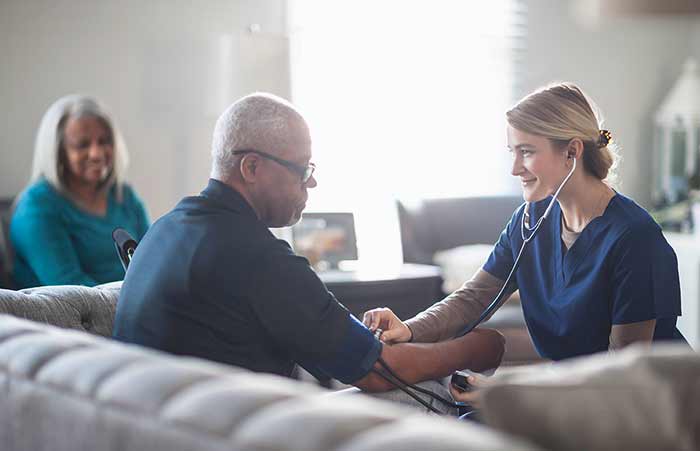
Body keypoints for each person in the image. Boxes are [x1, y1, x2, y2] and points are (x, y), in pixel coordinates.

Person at [113, 93, 505, 396]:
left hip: (158, 424)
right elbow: (378, 371)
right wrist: (475, 348)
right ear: (251, 167)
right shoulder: (257, 257)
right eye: (302, 169)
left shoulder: (165, 230)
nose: (311, 183)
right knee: (431, 395)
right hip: (225, 433)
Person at [363, 82, 686, 406]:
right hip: (579, 399)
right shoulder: (530, 220)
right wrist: (408, 329)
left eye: (527, 152)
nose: (515, 168)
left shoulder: (634, 238)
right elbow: (472, 300)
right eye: (512, 152)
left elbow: (621, 375)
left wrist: (508, 391)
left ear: (572, 152)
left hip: (653, 410)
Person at [10, 95, 149, 288]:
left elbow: (153, 263)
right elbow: (71, 290)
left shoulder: (124, 196)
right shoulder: (36, 207)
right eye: (82, 144)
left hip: (132, 308)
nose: (97, 154)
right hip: (67, 316)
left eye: (104, 141)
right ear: (58, 152)